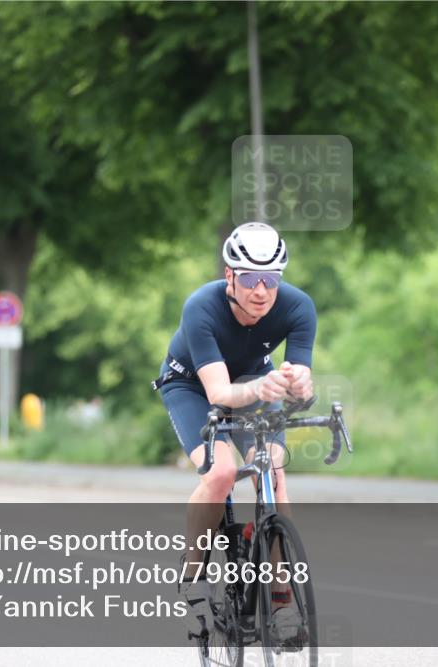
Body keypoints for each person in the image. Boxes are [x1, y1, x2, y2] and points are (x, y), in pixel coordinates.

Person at [154, 222, 316, 643]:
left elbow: (300, 379)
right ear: (229, 275)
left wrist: (301, 384)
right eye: (249, 279)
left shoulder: (298, 307)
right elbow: (220, 394)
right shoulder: (201, 307)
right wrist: (262, 388)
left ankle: (281, 600)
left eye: (271, 279)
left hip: (252, 380)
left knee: (273, 472)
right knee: (221, 473)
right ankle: (193, 580)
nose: (261, 290)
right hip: (192, 385)